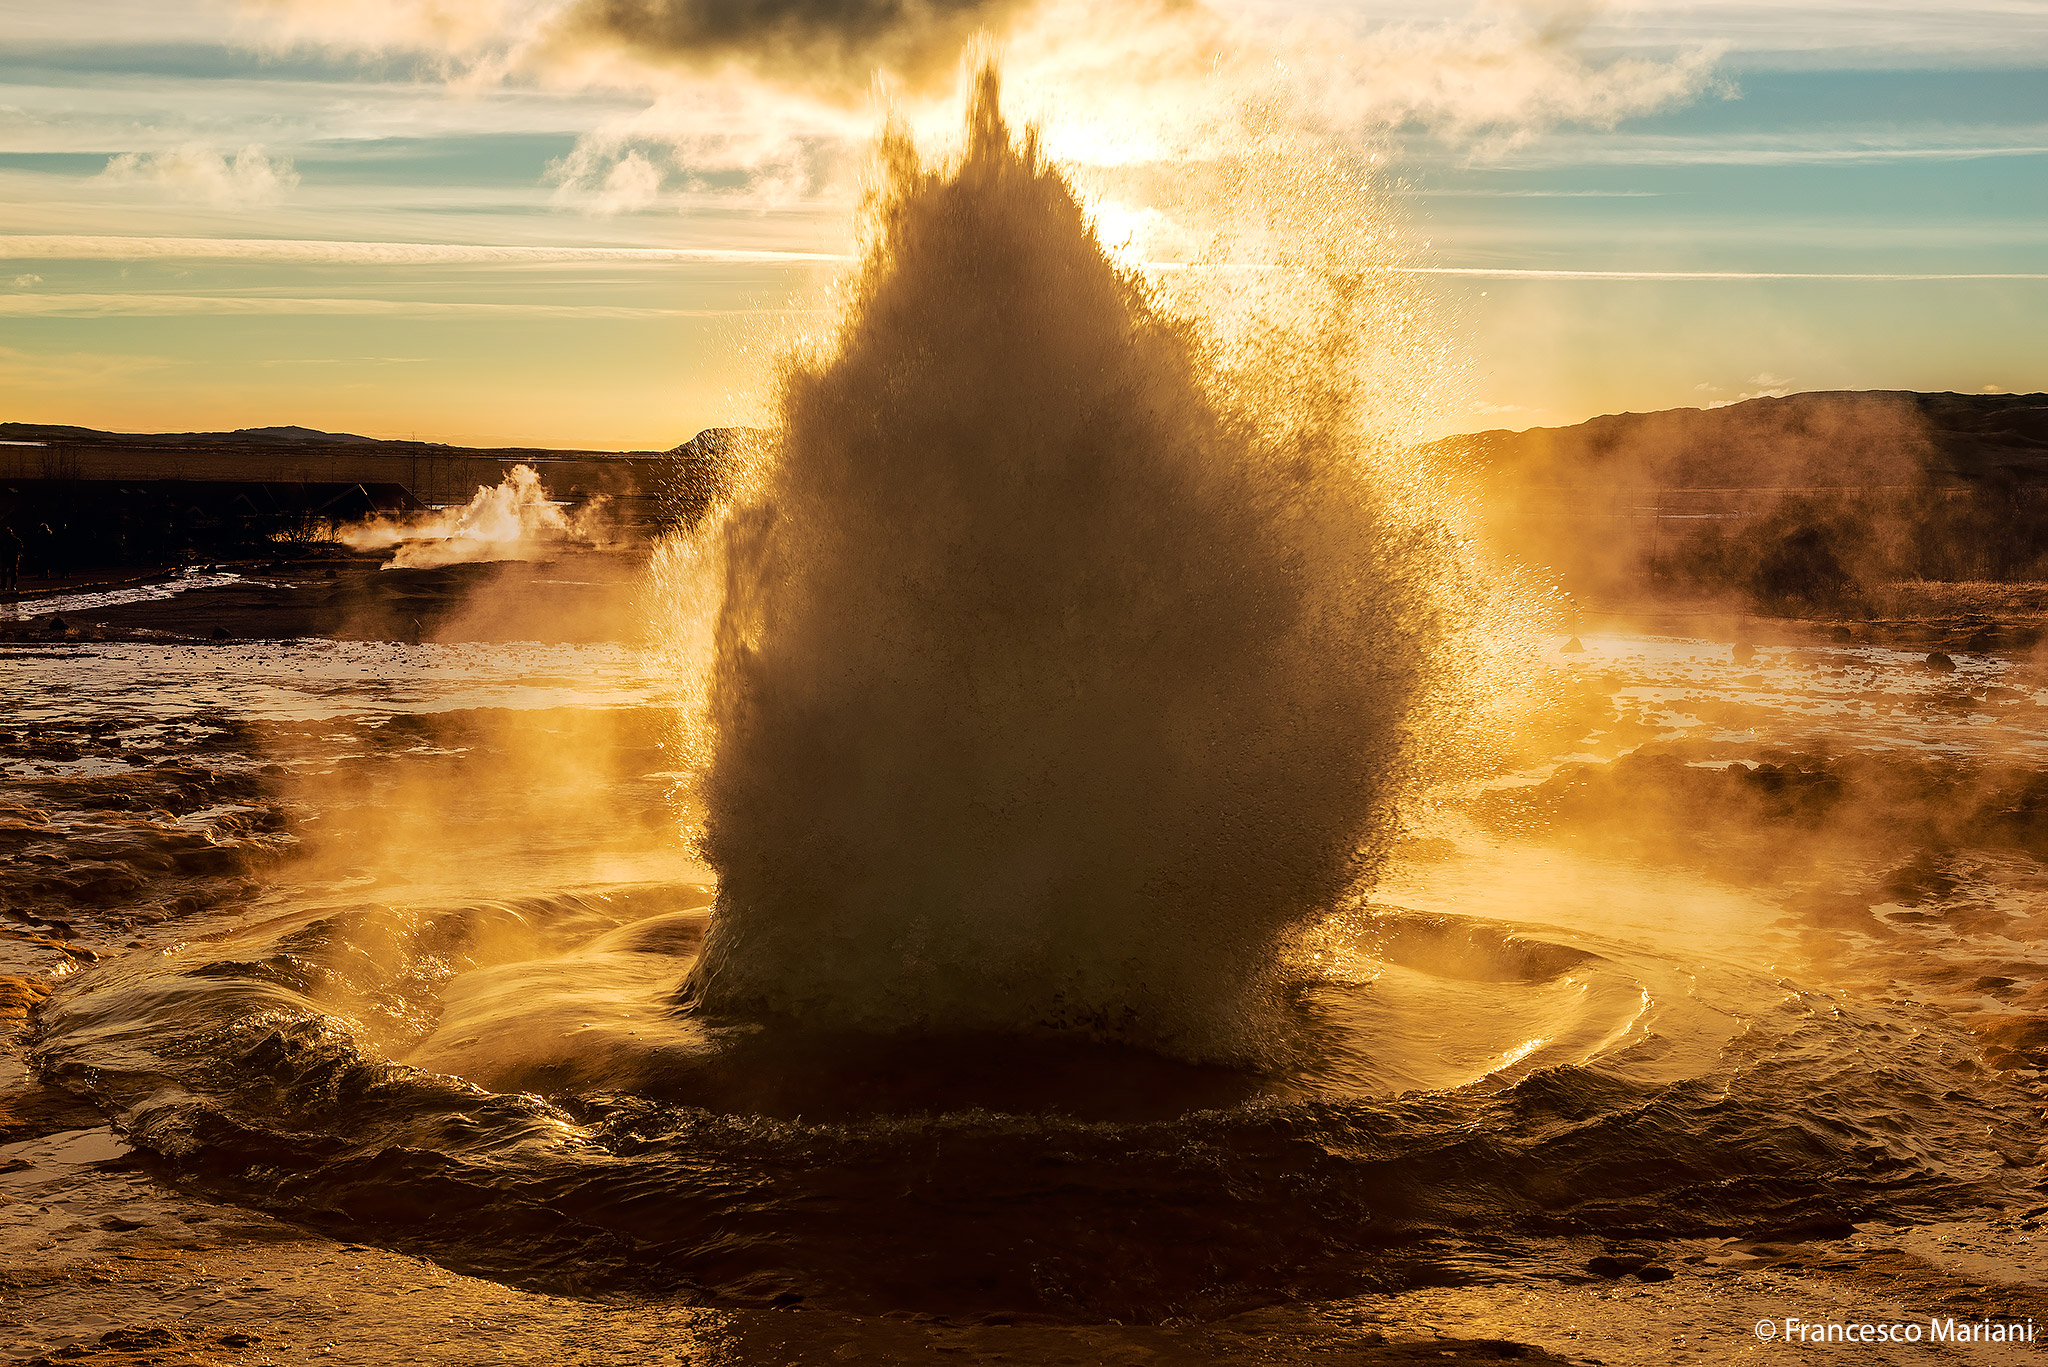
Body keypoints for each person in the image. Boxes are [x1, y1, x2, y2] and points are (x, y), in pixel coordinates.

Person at [0, 521, 22, 594]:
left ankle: (5, 586)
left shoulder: (3, 540)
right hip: (12, 558)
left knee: (5, 573)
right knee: (12, 573)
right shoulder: (15, 540)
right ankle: (12, 586)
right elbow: (21, 548)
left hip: (7, 558)